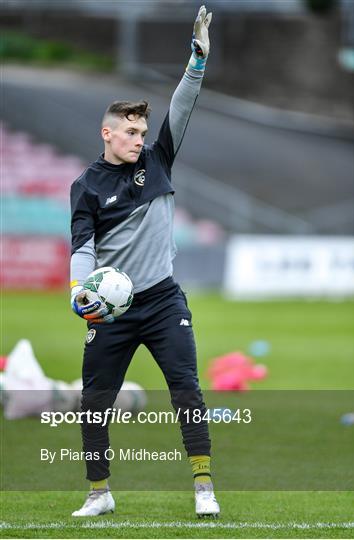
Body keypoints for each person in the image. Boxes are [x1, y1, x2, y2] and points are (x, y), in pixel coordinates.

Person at [70, 5, 219, 518]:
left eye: (142, 131)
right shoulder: (86, 187)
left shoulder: (159, 159)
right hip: (110, 310)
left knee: (186, 389)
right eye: (130, 132)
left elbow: (184, 105)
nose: (140, 139)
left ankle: (203, 488)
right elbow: (82, 246)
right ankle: (99, 493)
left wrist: (196, 63)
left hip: (161, 300)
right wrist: (78, 290)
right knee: (94, 401)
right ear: (107, 133)